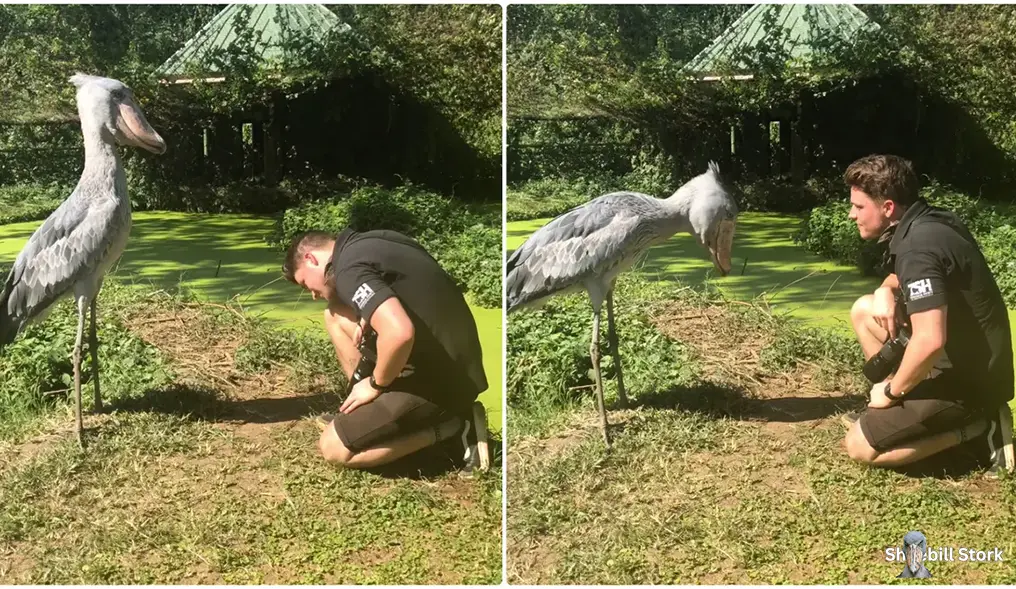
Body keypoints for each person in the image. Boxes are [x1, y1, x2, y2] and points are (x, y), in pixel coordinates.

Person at [841, 154, 1012, 472]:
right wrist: (885, 290)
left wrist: (891, 393)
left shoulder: (917, 248)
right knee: (865, 311)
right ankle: (904, 409)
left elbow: (930, 340)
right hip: (967, 358)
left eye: (859, 206)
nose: (852, 214)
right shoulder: (931, 220)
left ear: (888, 207)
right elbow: (917, 276)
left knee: (860, 447)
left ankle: (978, 429)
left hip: (968, 380)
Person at [282, 228, 489, 471]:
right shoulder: (372, 241)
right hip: (457, 365)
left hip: (439, 384)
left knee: (334, 448)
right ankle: (363, 411)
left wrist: (375, 384)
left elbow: (399, 333)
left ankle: (453, 428)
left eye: (306, 284)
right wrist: (368, 313)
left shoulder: (348, 269)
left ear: (311, 259)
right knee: (335, 314)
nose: (314, 295)